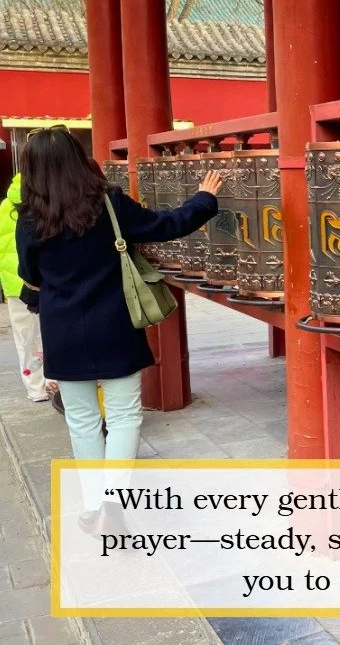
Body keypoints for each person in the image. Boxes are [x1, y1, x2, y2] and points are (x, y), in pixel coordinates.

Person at [15, 128, 223, 526]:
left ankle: (95, 506)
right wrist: (204, 198)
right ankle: (113, 505)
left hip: (64, 332)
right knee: (126, 416)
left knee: (82, 421)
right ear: (78, 160)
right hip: (115, 325)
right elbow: (166, 225)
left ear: (33, 169)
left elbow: (31, 275)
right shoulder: (108, 205)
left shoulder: (29, 219)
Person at [0, 173, 48, 401]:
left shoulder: (5, 206)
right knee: (49, 333)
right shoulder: (45, 204)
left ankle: (35, 389)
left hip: (13, 283)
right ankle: (53, 382)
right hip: (42, 281)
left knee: (24, 337)